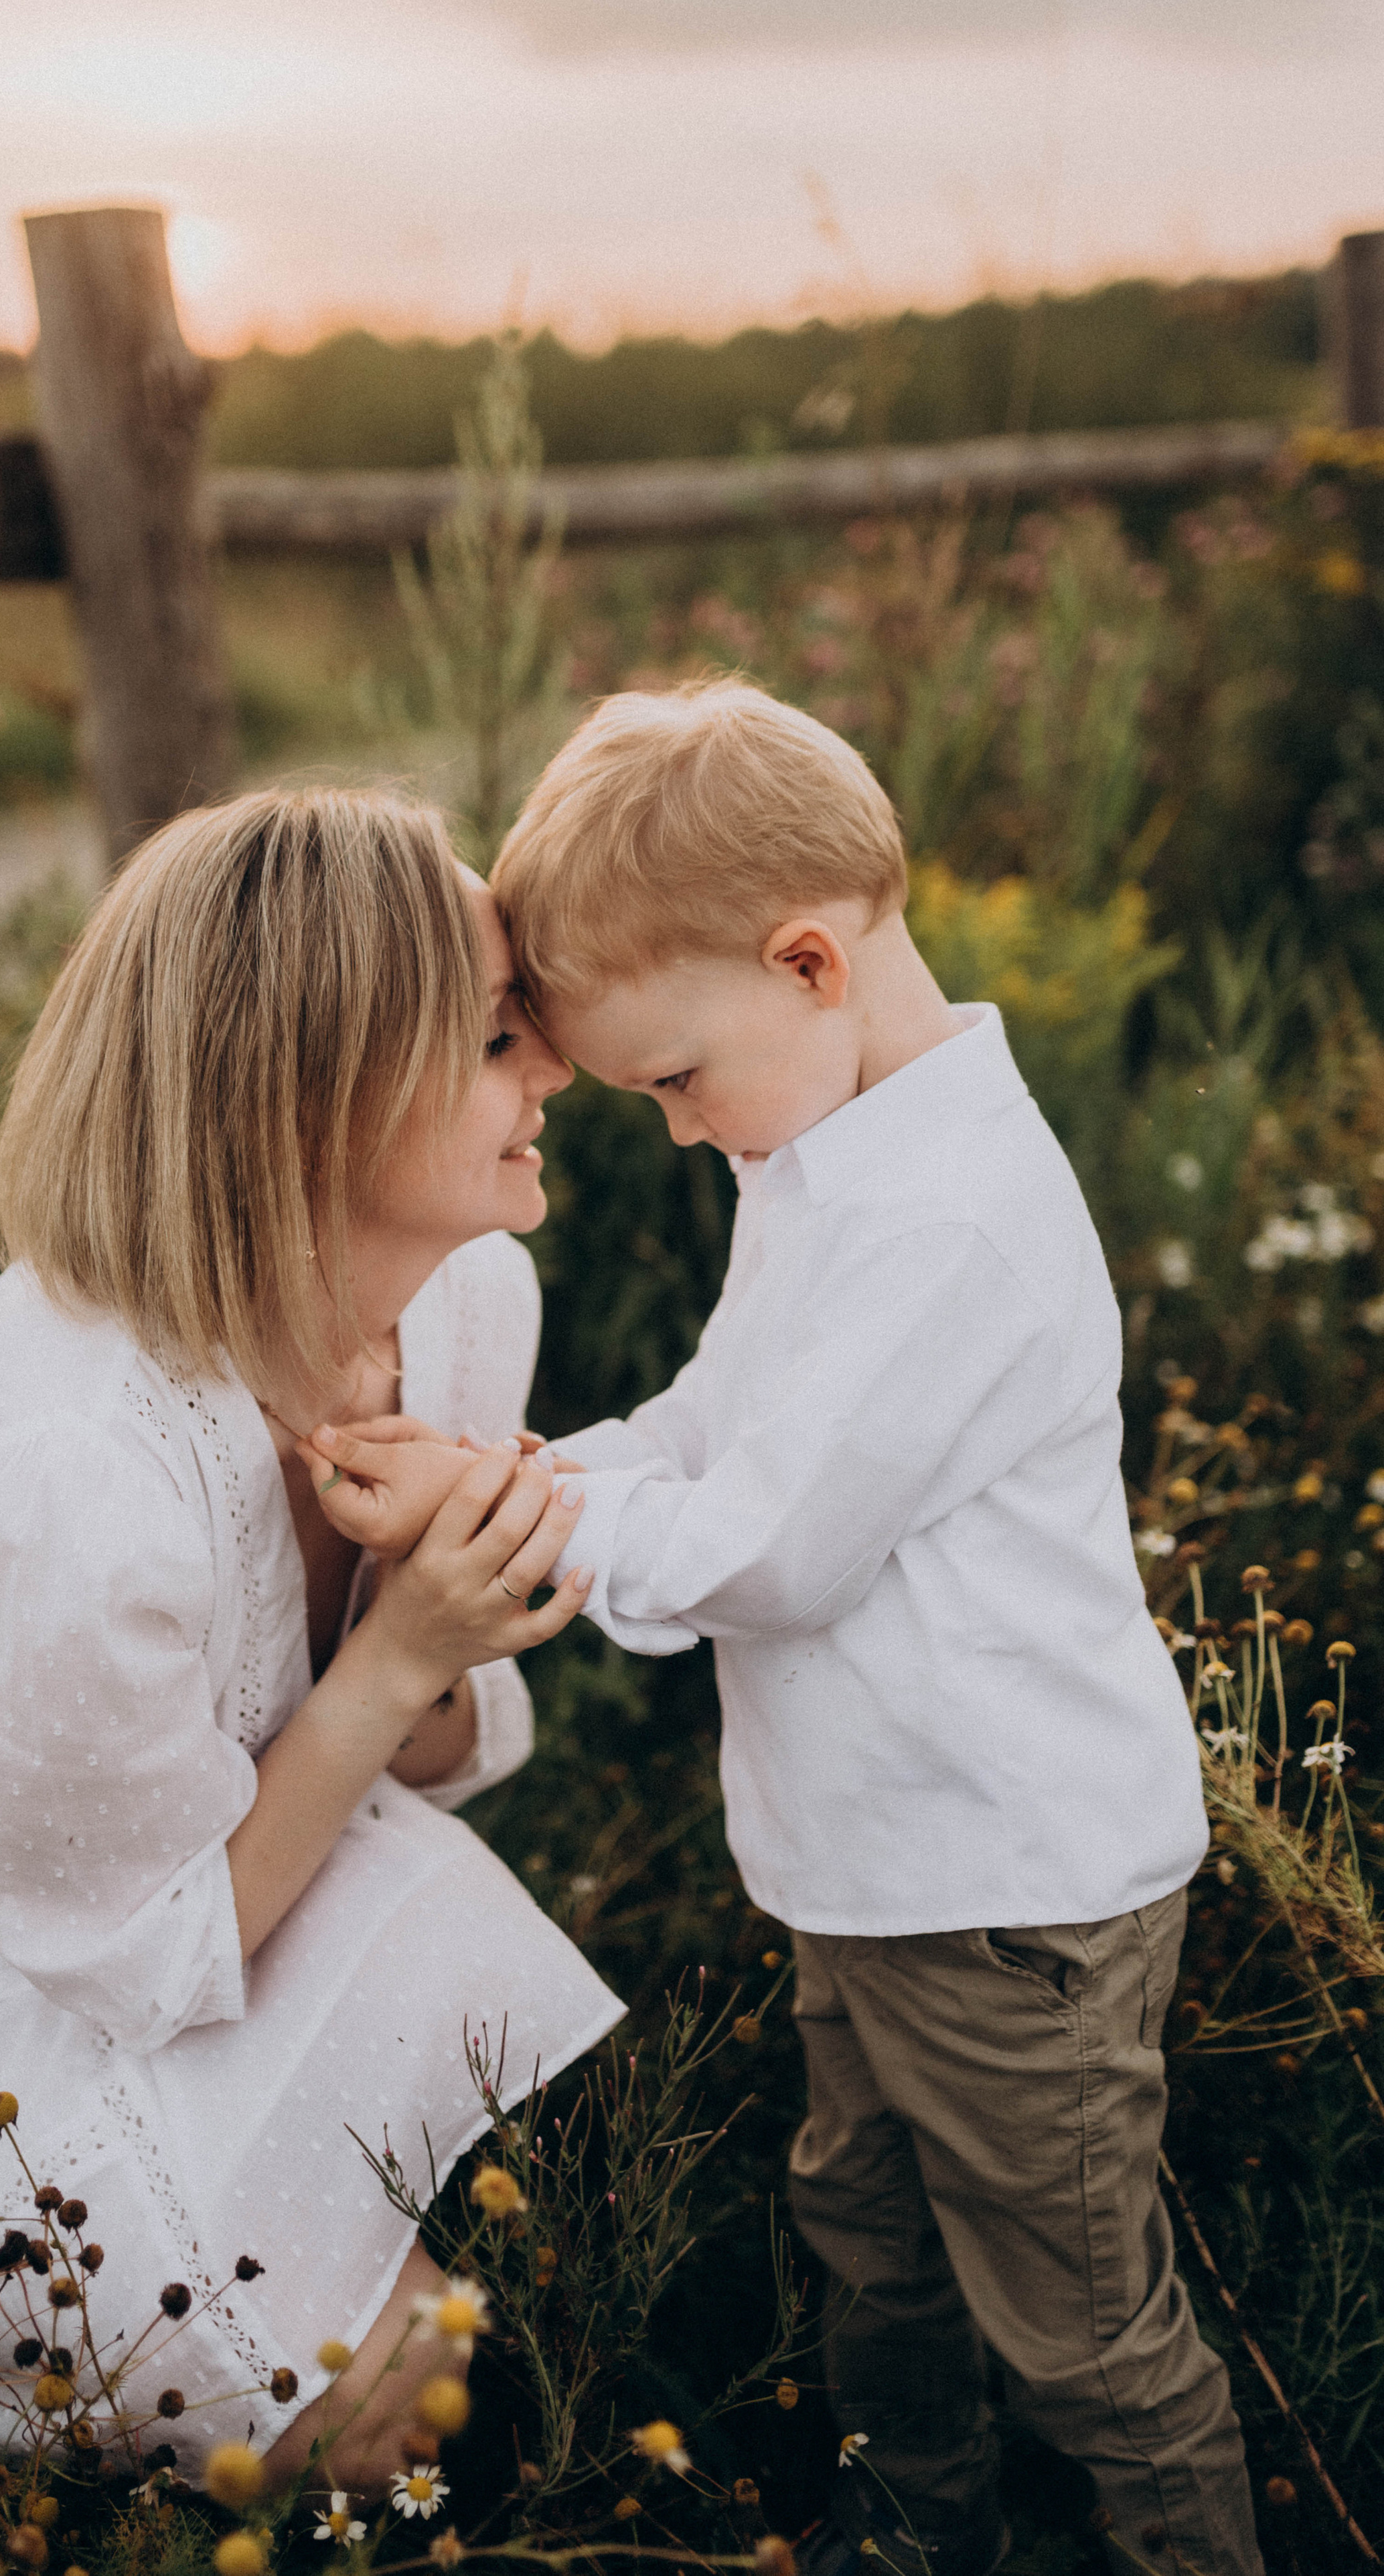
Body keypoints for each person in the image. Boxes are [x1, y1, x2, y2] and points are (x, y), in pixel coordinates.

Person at [299, 684, 1263, 2576]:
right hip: (875, 1871)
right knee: (868, 2234)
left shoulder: (949, 1228)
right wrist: (520, 1470)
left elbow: (772, 1551)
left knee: (1083, 2331)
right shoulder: (823, 1152)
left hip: (1008, 1895)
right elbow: (715, 1426)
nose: (674, 1129)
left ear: (807, 962)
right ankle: (917, 2525)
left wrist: (521, 1524)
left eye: (674, 1078)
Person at [0, 789, 620, 2492]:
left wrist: (426, 1630)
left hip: (194, 1877)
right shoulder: (75, 1471)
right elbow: (133, 1957)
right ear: (315, 1100)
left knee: (472, 2306)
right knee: (383, 2404)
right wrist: (401, 1649)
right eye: (494, 1036)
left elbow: (404, 1759)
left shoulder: (470, 1296)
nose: (553, 1066)